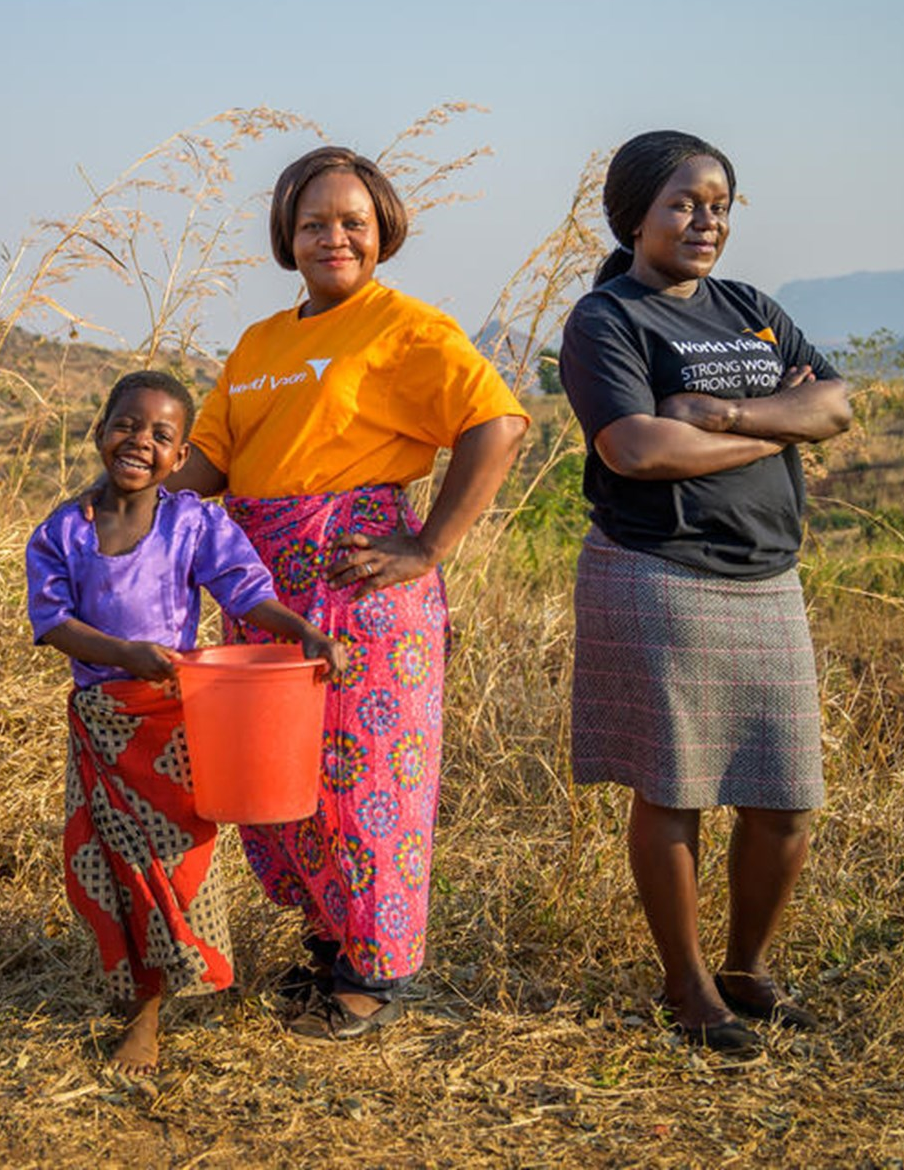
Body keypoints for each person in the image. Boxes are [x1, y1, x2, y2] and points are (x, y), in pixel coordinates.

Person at [164, 145, 530, 1039]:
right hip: (263, 589)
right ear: (287, 236)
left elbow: (499, 424)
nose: (335, 237)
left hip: (359, 585)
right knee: (279, 779)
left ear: (384, 232)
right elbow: (210, 460)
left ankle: (375, 970)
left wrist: (429, 544)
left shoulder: (402, 326)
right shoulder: (259, 344)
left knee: (366, 782)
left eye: (353, 223)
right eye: (314, 223)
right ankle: (330, 944)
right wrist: (133, 501)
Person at [556, 129, 852, 1057]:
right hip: (660, 574)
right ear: (635, 215)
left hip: (769, 578)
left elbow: (838, 404)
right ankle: (688, 987)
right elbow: (636, 450)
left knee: (788, 796)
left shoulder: (751, 308)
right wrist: (783, 425)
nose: (706, 220)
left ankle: (748, 971)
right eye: (685, 203)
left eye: (719, 204)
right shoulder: (607, 320)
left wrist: (722, 416)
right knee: (676, 788)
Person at [27, 371, 346, 1074]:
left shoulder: (192, 522)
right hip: (102, 724)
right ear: (99, 428)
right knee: (111, 871)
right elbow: (52, 623)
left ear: (180, 457)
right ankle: (133, 994)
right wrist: (125, 657)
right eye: (126, 425)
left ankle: (150, 1014)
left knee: (169, 866)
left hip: (173, 729)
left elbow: (246, 589)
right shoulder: (62, 530)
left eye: (161, 435)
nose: (139, 441)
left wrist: (304, 634)